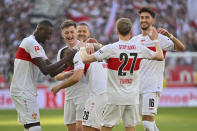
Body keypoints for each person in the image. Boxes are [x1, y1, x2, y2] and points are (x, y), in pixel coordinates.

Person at [80, 18, 164, 131]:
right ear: (131, 32)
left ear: (116, 31)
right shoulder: (139, 48)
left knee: (106, 127)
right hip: (132, 97)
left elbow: (85, 59)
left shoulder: (111, 48)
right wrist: (156, 41)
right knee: (130, 128)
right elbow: (160, 56)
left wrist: (82, 47)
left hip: (115, 97)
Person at [10, 20, 76, 131]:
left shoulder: (37, 47)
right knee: (35, 128)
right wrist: (66, 59)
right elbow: (45, 70)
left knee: (30, 127)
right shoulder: (31, 43)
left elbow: (52, 72)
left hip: (26, 90)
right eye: (48, 33)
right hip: (23, 90)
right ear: (40, 30)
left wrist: (67, 64)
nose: (49, 37)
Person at [130, 7, 185, 131]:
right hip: (138, 86)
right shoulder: (135, 40)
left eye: (147, 17)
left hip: (152, 86)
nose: (143, 20)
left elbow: (181, 48)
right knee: (150, 124)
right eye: (142, 17)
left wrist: (170, 36)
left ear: (153, 20)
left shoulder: (160, 39)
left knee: (147, 124)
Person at [51, 20, 90, 131]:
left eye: (72, 32)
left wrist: (58, 87)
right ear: (62, 34)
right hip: (69, 95)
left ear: (76, 32)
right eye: (66, 33)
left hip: (84, 93)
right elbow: (57, 76)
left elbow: (78, 77)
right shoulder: (61, 52)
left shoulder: (84, 48)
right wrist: (65, 74)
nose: (70, 35)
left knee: (80, 128)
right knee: (71, 129)